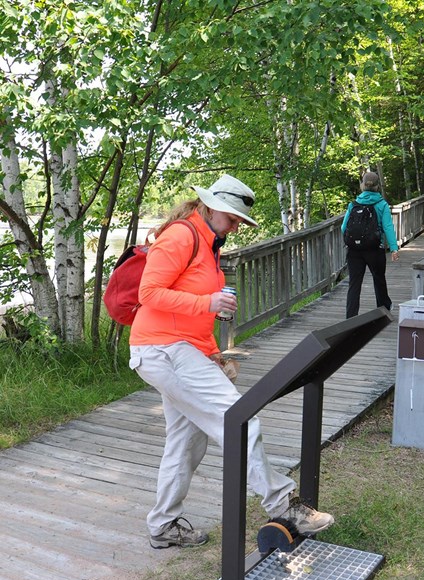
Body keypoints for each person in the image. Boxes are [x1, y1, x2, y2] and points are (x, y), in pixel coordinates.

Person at [128, 174, 334, 548]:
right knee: (240, 419)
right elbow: (149, 293)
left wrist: (211, 352)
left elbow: (190, 318)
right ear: (210, 207)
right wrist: (206, 303)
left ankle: (162, 526)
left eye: (239, 220)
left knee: (187, 443)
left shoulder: (209, 244)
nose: (236, 226)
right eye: (232, 217)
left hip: (180, 349)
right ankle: (284, 506)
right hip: (162, 349)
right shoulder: (180, 236)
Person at [342, 171, 399, 318]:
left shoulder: (353, 204)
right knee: (378, 279)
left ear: (363, 185)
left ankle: (351, 316)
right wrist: (394, 248)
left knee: (354, 283)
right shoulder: (382, 204)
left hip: (354, 250)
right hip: (374, 249)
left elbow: (343, 228)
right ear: (377, 186)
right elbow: (387, 227)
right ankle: (383, 311)